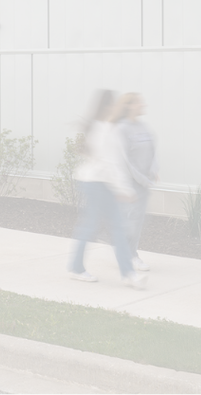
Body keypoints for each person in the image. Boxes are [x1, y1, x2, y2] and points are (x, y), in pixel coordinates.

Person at [67, 89, 145, 288]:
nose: (118, 107)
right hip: (97, 183)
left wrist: (121, 187)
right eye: (115, 103)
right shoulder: (103, 129)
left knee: (105, 226)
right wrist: (124, 189)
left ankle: (126, 273)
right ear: (108, 106)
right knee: (99, 226)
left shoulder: (103, 127)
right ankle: (125, 273)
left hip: (99, 182)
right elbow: (110, 163)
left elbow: (113, 162)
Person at [114, 92, 158, 271]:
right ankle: (129, 256)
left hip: (144, 183)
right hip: (130, 184)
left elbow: (153, 150)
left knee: (137, 221)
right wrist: (141, 178)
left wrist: (153, 170)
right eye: (139, 103)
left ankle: (128, 253)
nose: (143, 105)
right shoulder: (121, 129)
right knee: (130, 222)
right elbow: (124, 160)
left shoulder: (143, 127)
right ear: (129, 106)